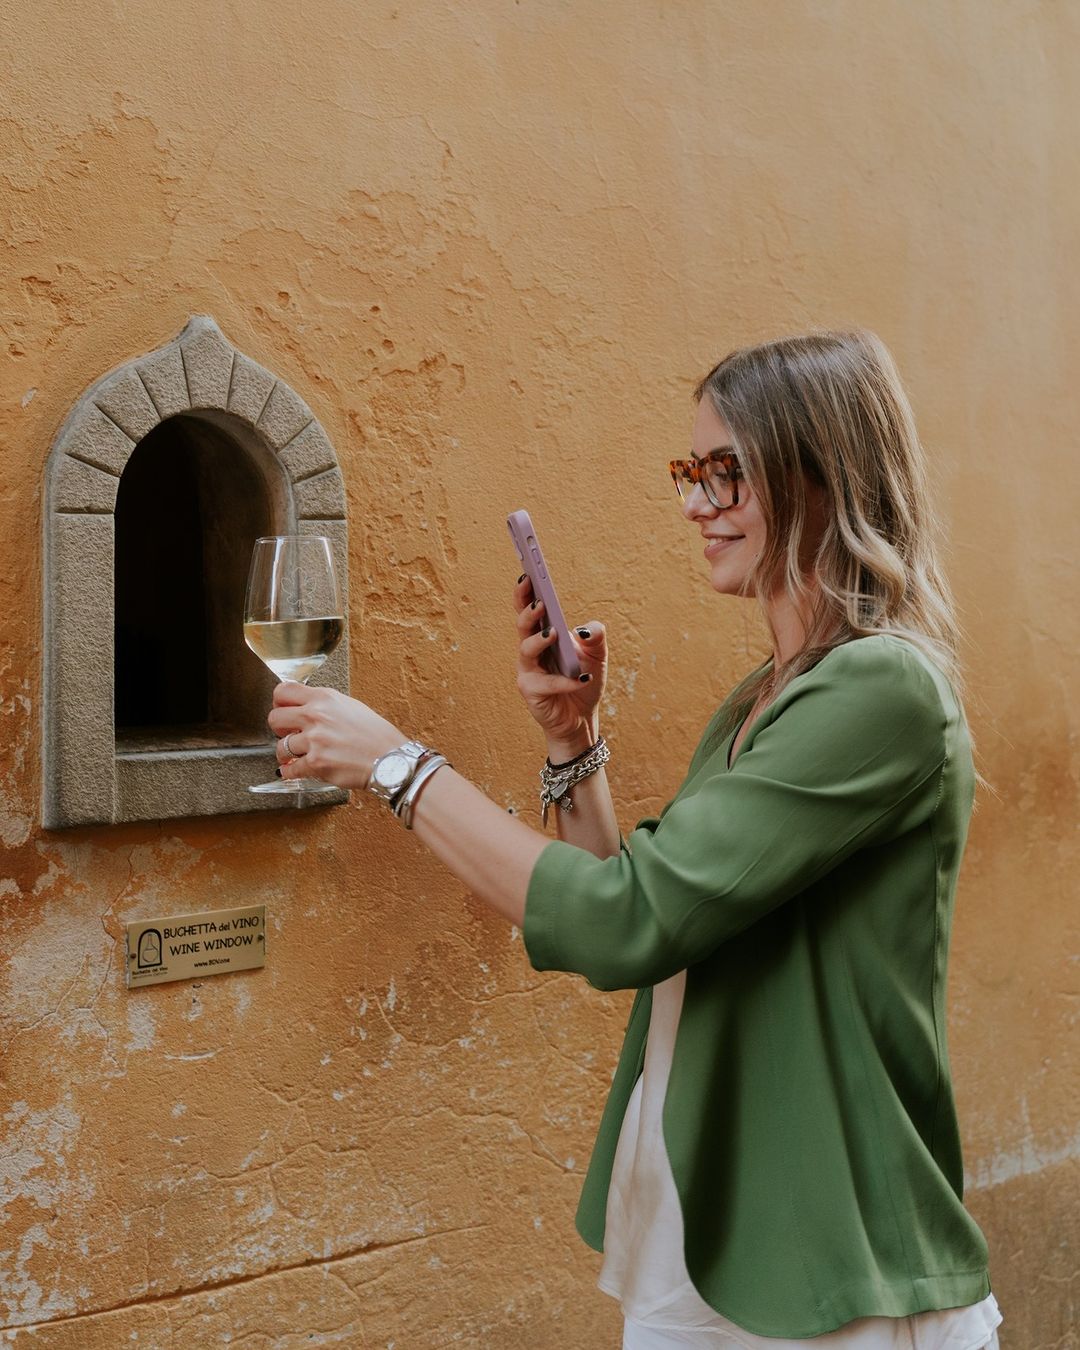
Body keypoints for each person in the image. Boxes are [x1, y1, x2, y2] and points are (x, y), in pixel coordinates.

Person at [269, 330, 1002, 1349]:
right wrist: (574, 740)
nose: (697, 505)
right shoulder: (767, 697)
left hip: (832, 1263)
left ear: (825, 478)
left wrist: (398, 766)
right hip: (704, 1227)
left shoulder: (883, 691)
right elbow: (637, 910)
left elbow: (623, 922)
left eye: (726, 474)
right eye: (690, 473)